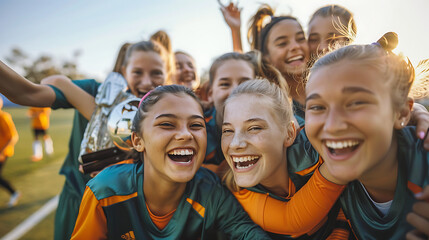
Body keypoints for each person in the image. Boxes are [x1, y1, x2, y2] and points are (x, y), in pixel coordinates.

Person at [0, 39, 171, 239]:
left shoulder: (166, 109)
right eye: (137, 72)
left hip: (127, 213)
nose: (146, 81)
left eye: (156, 72)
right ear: (124, 71)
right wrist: (63, 84)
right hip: (77, 203)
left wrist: (65, 85)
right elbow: (28, 93)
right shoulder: (94, 90)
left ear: (167, 73)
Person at [71, 85, 271, 239]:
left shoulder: (210, 191)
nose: (185, 134)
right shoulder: (105, 191)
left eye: (195, 125)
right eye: (167, 124)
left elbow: (247, 233)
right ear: (138, 141)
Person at [304, 32, 429, 239]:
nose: (332, 125)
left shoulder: (423, 163)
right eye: (317, 107)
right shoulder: (315, 154)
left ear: (402, 113)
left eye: (356, 103)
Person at [221, 78, 349, 238]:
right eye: (227, 130)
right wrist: (335, 168)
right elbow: (293, 220)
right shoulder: (236, 191)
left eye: (254, 128)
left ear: (289, 133)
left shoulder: (314, 151)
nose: (235, 144)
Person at [0, 97, 20, 208]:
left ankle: (14, 193)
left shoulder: (3, 117)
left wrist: (2, 153)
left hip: (3, 152)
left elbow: (13, 137)